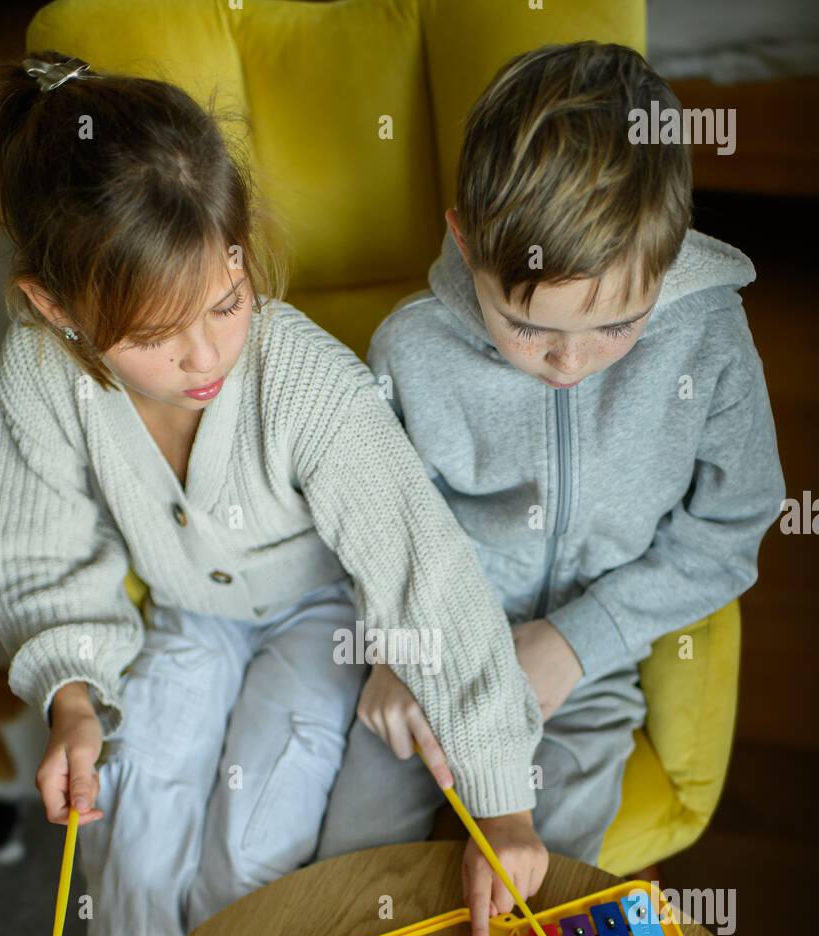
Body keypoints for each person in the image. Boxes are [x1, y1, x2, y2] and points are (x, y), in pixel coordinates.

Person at [0, 52, 544, 936]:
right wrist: (72, 698)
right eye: (157, 334)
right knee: (138, 830)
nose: (203, 356)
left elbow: (428, 579)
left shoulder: (306, 380)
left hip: (322, 619)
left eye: (225, 301)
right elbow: (43, 551)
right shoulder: (38, 372)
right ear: (56, 310)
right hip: (191, 613)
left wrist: (504, 803)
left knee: (251, 843)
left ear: (241, 252)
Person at [316, 42, 784, 880]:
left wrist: (578, 643)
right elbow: (380, 523)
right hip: (436, 640)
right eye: (529, 327)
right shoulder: (412, 348)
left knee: (549, 880)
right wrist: (396, 649)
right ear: (465, 243)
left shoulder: (710, 340)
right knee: (351, 866)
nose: (571, 363)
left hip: (589, 665)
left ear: (669, 257)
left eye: (615, 325)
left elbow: (733, 525)